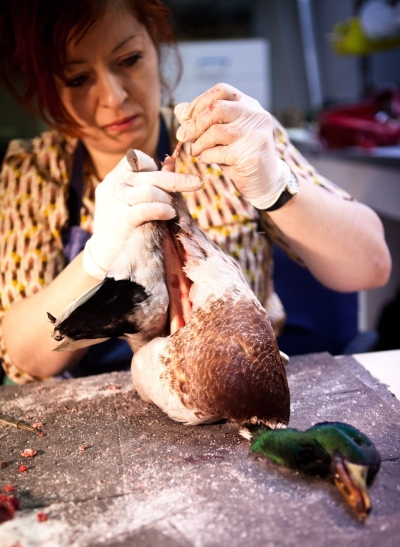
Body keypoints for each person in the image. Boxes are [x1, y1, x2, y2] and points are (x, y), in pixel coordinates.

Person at [0, 0, 391, 385]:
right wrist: (96, 259)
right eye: (77, 79)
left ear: (156, 46)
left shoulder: (227, 139)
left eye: (129, 59)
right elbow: (21, 359)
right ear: (49, 87)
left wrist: (275, 187)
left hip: (236, 386)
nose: (114, 97)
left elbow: (371, 265)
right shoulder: (34, 174)